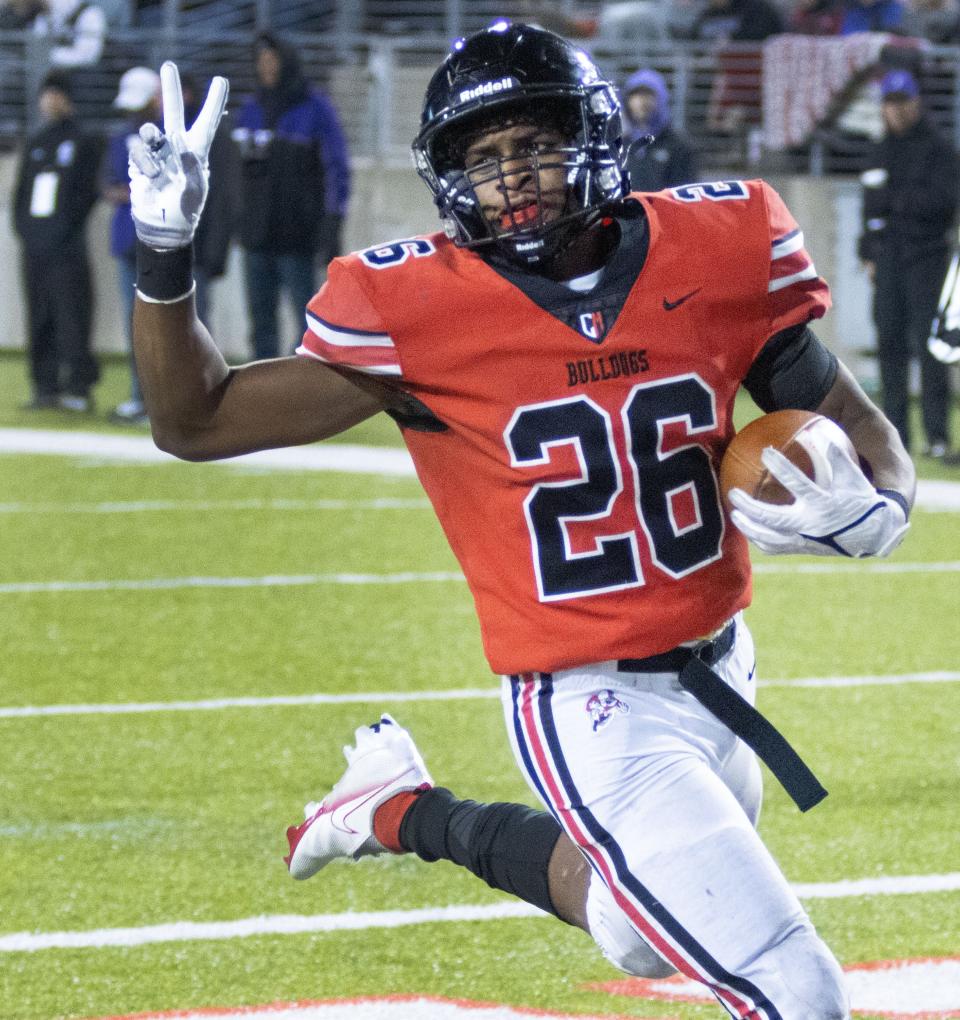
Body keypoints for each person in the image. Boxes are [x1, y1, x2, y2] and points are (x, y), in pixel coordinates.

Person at [128, 25, 915, 1018]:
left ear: (592, 138)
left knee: (632, 925)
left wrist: (878, 510)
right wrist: (164, 255)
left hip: (723, 669)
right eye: (485, 159)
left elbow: (862, 430)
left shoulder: (719, 248)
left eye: (534, 143)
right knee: (795, 986)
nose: (515, 177)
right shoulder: (415, 311)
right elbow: (192, 421)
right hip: (587, 704)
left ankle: (398, 808)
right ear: (451, 181)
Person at [232, 32, 350, 360]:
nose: (266, 68)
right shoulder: (250, 109)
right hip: (256, 238)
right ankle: (264, 394)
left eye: (272, 61)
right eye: (261, 62)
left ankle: (298, 393)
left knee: (307, 323)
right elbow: (237, 175)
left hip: (298, 238)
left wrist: (333, 223)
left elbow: (337, 169)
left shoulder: (315, 108)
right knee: (260, 325)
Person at [858, 68, 958, 459]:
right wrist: (866, 252)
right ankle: (895, 435)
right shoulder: (878, 150)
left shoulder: (939, 149)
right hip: (888, 262)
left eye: (902, 102)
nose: (895, 111)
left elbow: (945, 204)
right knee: (889, 346)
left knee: (931, 348)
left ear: (916, 102)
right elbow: (869, 209)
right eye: (889, 103)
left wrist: (896, 207)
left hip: (928, 259)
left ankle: (937, 437)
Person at [12, 69, 102, 411]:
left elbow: (84, 195)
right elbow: (22, 196)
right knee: (40, 316)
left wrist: (61, 231)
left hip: (66, 248)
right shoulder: (37, 143)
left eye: (56, 93)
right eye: (46, 94)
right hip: (34, 248)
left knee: (72, 316)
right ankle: (44, 386)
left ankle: (78, 387)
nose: (50, 101)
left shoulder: (83, 141)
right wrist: (27, 233)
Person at [102, 65, 160, 424]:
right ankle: (141, 397)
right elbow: (110, 186)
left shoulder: (169, 136)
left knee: (166, 324)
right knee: (134, 322)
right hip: (128, 239)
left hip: (162, 242)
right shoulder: (119, 137)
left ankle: (164, 400)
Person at [621, 68, 699, 191]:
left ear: (662, 99)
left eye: (648, 94)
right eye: (636, 94)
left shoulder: (679, 146)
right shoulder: (620, 146)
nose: (642, 101)